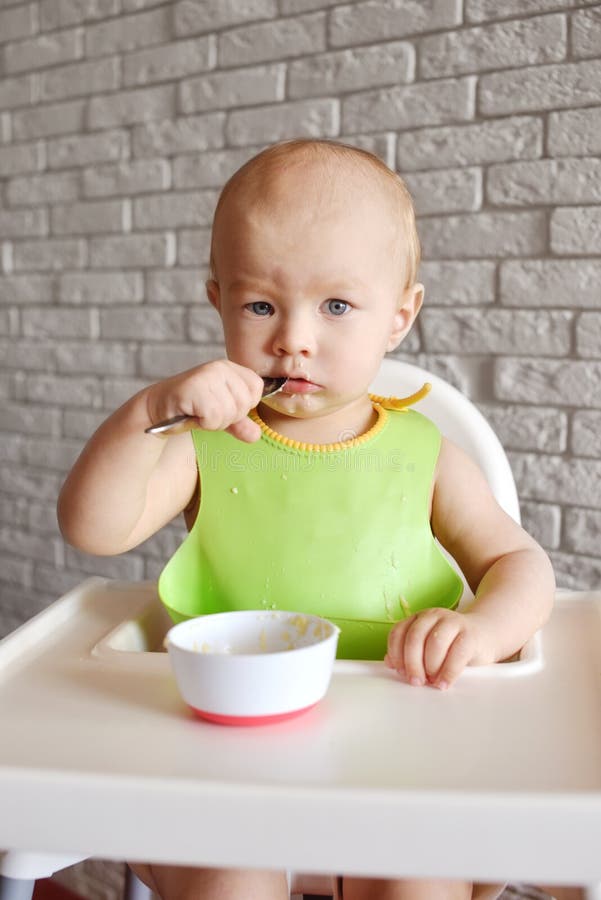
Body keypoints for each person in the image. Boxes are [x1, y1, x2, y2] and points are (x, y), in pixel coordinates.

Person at [57, 139, 555, 900]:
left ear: (399, 316)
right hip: (227, 755)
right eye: (260, 305)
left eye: (336, 306)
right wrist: (146, 416)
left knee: (418, 877)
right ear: (218, 302)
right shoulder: (205, 445)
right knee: (227, 877)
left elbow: (520, 566)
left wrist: (483, 631)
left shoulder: (425, 456)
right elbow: (93, 529)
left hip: (400, 753)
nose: (293, 337)